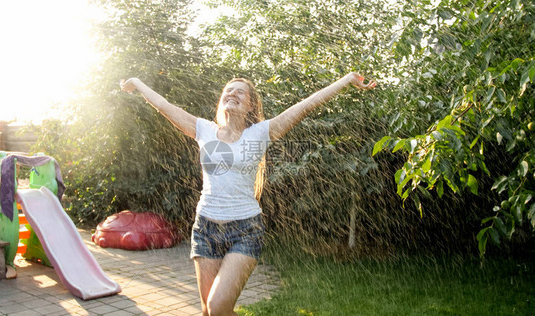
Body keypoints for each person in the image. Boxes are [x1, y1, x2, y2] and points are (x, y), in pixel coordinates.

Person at [120, 73, 376, 316]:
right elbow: (164, 105)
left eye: (240, 92)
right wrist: (139, 84)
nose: (232, 93)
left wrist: (346, 80)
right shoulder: (204, 130)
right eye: (228, 90)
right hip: (205, 229)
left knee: (219, 306)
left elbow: (305, 105)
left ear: (251, 105)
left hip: (245, 230)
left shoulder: (259, 134)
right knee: (209, 312)